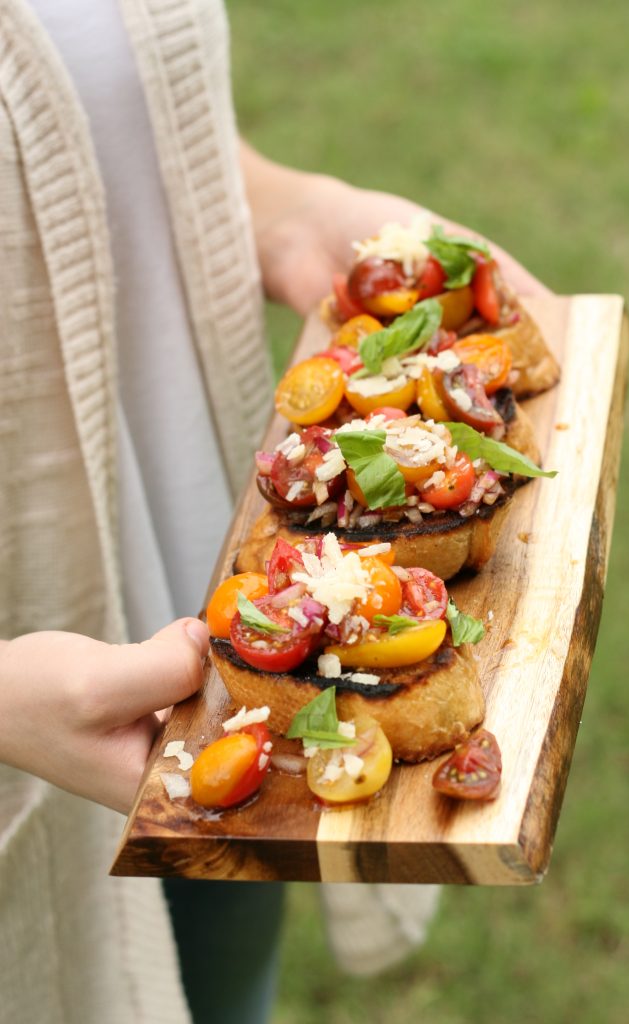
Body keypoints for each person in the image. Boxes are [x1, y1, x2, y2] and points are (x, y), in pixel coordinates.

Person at [0, 1, 551, 1022]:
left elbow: (115, 111)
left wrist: (286, 211)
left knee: (224, 982)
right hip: (35, 696)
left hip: (214, 598)